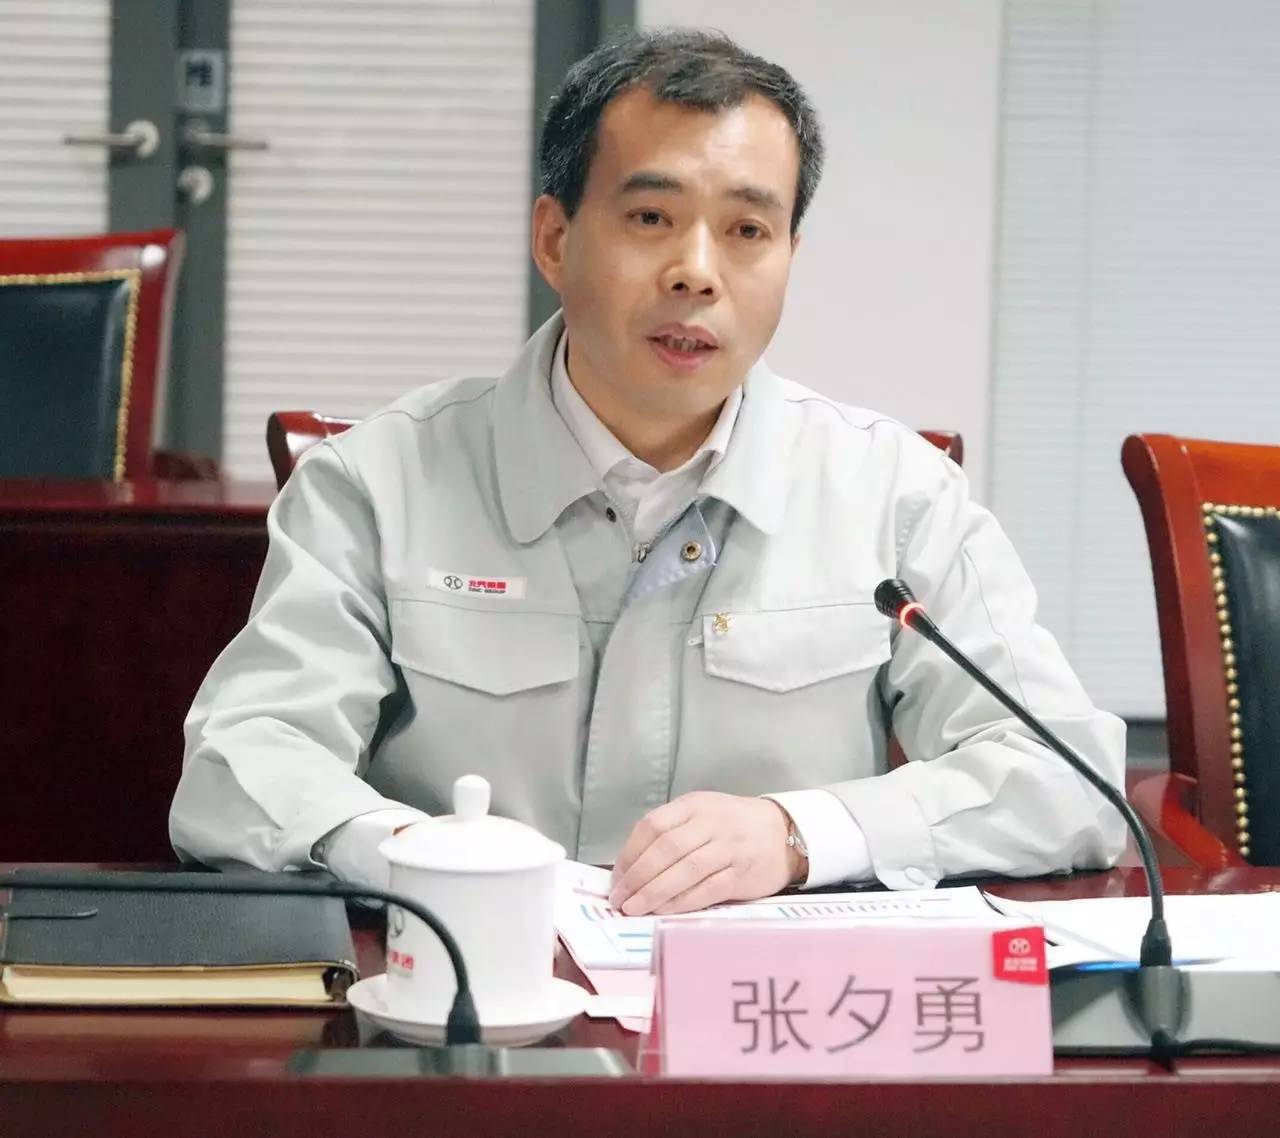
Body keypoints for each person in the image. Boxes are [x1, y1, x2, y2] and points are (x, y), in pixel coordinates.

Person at [170, 29, 1125, 917]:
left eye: (747, 231)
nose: (696, 272)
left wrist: (802, 834)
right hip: (464, 984)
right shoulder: (375, 483)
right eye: (651, 216)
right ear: (555, 239)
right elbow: (241, 762)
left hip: (768, 1011)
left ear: (790, 255)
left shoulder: (895, 495)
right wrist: (417, 855)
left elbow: (1068, 780)